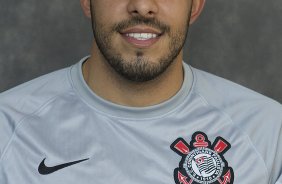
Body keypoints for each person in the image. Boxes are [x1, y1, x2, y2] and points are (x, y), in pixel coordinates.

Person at [0, 0, 281, 183]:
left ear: (195, 6)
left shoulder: (267, 132)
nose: (143, 6)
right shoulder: (7, 128)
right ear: (87, 2)